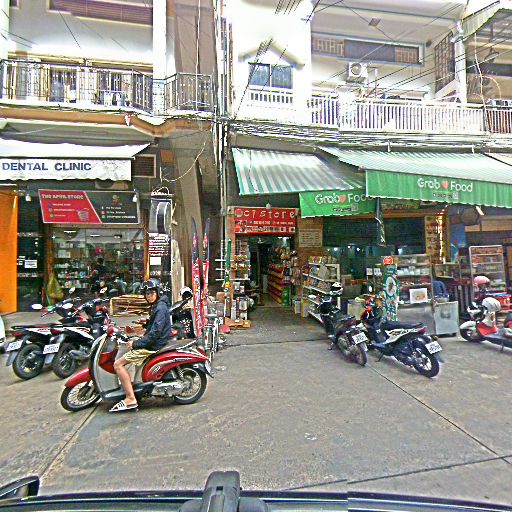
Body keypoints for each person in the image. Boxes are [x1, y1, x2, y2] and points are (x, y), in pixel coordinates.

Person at [110, 279, 172, 412]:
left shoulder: (160, 308)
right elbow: (154, 326)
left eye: (151, 293)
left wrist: (136, 344)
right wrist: (144, 325)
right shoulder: (158, 305)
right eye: (147, 294)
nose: (149, 296)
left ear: (158, 293)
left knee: (118, 364)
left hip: (153, 345)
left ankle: (130, 398)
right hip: (155, 342)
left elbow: (154, 333)